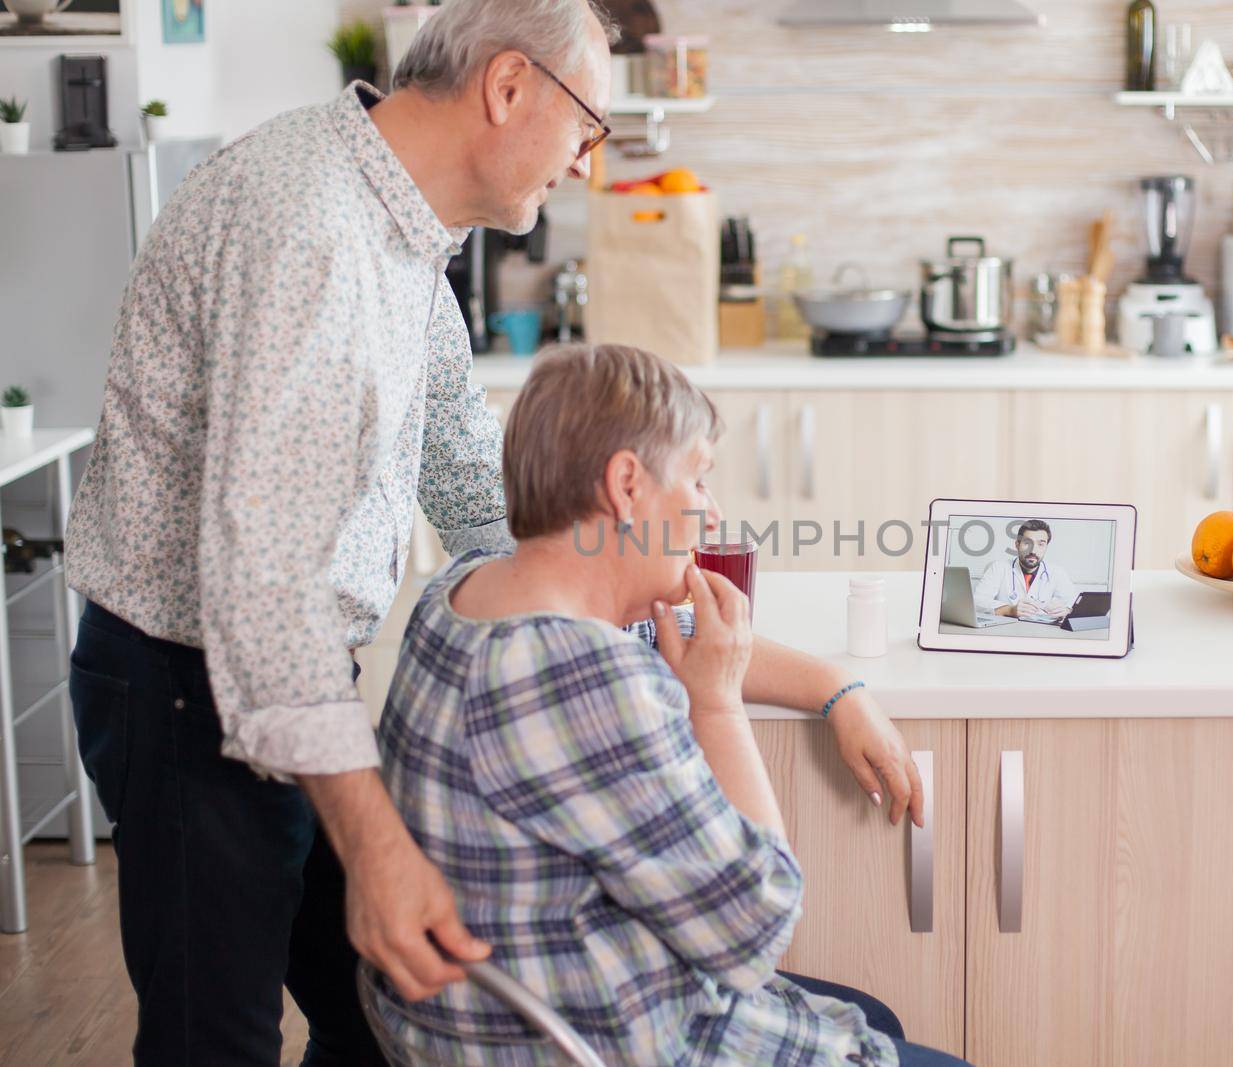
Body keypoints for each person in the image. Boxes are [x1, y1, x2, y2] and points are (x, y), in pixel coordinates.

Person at [62, 1, 921, 1062]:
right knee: (217, 1036)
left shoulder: (408, 234)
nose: (586, 164)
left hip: (289, 681)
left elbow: (490, 506)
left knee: (367, 1012)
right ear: (507, 87)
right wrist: (377, 849)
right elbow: (266, 586)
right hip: (185, 677)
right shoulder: (314, 231)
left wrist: (810, 676)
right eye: (587, 127)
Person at [370, 343, 970, 1066]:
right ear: (627, 485)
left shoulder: (458, 596)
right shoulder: (592, 682)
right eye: (697, 479)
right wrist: (715, 706)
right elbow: (754, 930)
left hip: (469, 1024)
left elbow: (672, 632)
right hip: (611, 1036)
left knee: (874, 1015)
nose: (710, 511)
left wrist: (834, 686)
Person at [972, 519, 1080, 622]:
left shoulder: (1057, 572)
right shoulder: (998, 568)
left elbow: (1074, 603)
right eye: (1027, 543)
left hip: (1042, 634)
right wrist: (1010, 610)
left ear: (1046, 546)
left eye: (1041, 544)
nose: (1033, 550)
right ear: (1017, 545)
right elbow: (977, 602)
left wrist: (1067, 610)